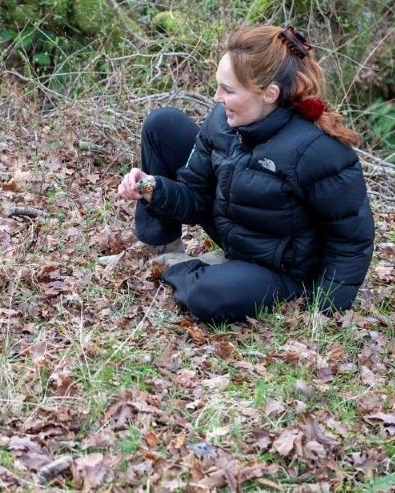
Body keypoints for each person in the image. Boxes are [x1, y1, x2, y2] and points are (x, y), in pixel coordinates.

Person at [118, 25, 374, 324]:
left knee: (206, 295)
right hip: (236, 233)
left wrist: (327, 309)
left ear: (269, 94)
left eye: (228, 90)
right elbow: (195, 197)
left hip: (281, 270)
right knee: (163, 123)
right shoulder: (222, 122)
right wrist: (149, 186)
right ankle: (169, 249)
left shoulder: (320, 151)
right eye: (218, 86)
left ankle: (188, 268)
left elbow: (351, 240)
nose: (216, 98)